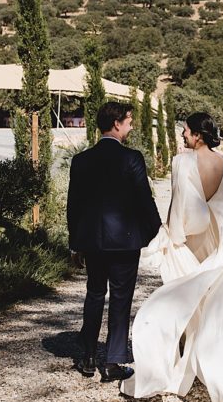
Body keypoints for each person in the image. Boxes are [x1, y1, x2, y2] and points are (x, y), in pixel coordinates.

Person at [122, 112, 223, 402]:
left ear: (197, 135)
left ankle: (179, 364)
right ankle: (212, 371)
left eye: (185, 131)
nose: (182, 135)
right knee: (213, 302)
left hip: (194, 241)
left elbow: (183, 208)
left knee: (182, 299)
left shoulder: (181, 162)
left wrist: (172, 236)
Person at [66, 101, 162, 382]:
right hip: (125, 243)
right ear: (117, 123)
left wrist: (76, 242)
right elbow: (145, 200)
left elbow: (74, 206)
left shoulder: (81, 160)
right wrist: (153, 231)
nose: (131, 126)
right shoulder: (132, 158)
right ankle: (113, 362)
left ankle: (87, 357)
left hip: (93, 242)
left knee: (94, 294)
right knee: (121, 299)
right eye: (129, 121)